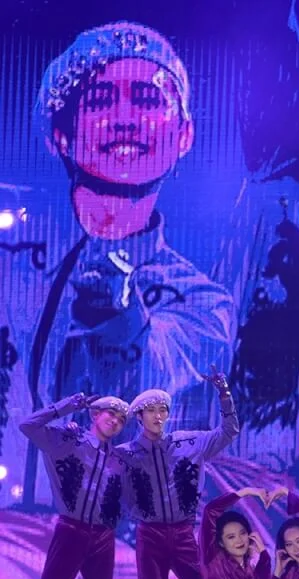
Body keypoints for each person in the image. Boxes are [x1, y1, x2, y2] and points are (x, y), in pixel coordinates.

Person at [13, 21, 235, 505]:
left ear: (184, 135)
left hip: (117, 530)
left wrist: (119, 320)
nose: (125, 119)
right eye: (99, 100)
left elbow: (151, 388)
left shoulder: (203, 302)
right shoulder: (11, 269)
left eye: (148, 99)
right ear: (61, 135)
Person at [117, 369, 239, 579]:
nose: (158, 416)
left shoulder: (188, 443)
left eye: (163, 410)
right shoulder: (126, 454)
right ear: (139, 417)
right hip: (150, 535)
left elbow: (228, 431)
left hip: (184, 533)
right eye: (151, 411)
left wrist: (224, 394)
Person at [17, 392, 129, 579]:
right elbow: (28, 426)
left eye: (121, 420)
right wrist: (68, 405)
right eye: (110, 414)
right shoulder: (69, 440)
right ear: (95, 415)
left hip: (103, 537)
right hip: (70, 530)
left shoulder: (119, 459)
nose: (115, 421)